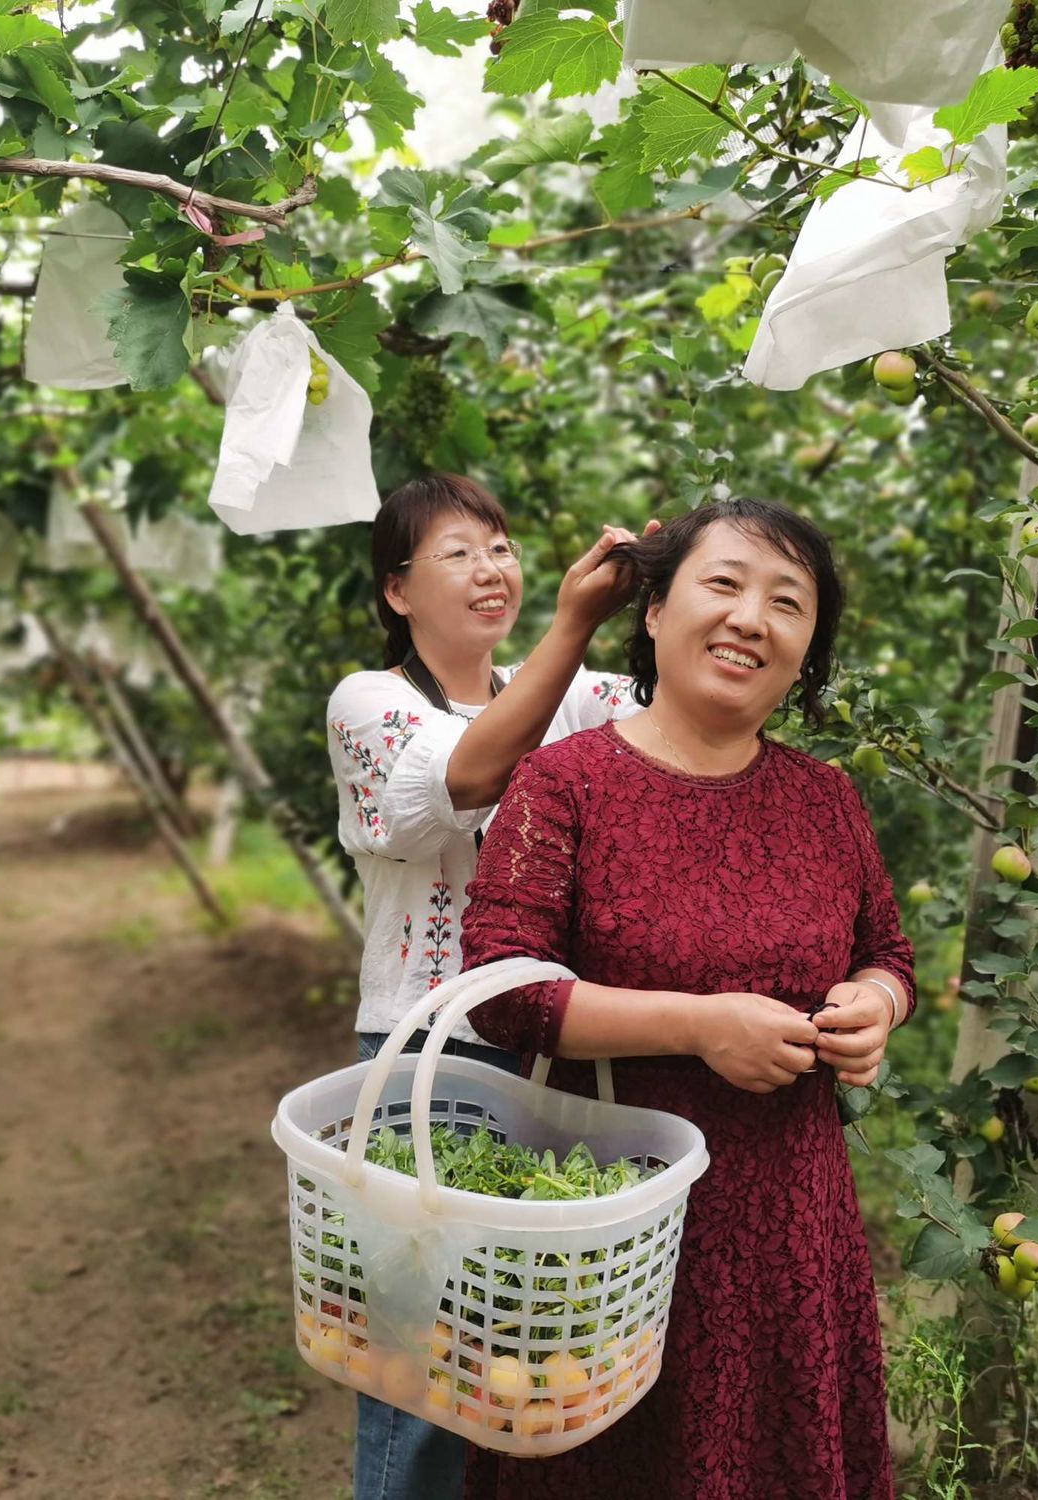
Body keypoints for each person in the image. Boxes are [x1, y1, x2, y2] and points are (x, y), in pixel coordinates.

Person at [459, 496, 916, 1500]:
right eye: (724, 584)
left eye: (787, 603)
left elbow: (888, 953)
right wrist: (700, 1025)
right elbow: (501, 987)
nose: (751, 618)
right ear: (657, 611)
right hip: (607, 1216)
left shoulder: (825, 799)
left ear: (807, 652)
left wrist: (874, 1006)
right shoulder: (563, 784)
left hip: (787, 1221)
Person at [326, 473, 651, 1500]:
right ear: (397, 591)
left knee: (537, 1347)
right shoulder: (368, 703)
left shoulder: (578, 695)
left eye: (500, 547)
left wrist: (676, 579)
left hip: (560, 1041)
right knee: (420, 1355)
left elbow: (670, 712)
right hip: (433, 1057)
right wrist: (574, 624)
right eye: (457, 552)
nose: (490, 569)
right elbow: (465, 774)